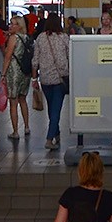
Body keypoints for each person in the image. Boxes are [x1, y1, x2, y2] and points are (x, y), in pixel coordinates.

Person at [33, 14, 70, 150]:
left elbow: (35, 60)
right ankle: (49, 139)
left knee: (51, 108)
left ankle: (56, 133)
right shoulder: (64, 38)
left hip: (45, 79)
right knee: (56, 110)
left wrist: (34, 78)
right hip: (60, 79)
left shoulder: (41, 38)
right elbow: (70, 56)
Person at [1, 13, 31, 139]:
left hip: (14, 71)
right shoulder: (26, 38)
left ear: (19, 26)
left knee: (13, 101)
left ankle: (15, 131)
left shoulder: (13, 38)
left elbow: (7, 57)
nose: (10, 26)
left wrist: (3, 74)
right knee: (23, 99)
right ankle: (27, 126)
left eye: (13, 24)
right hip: (25, 72)